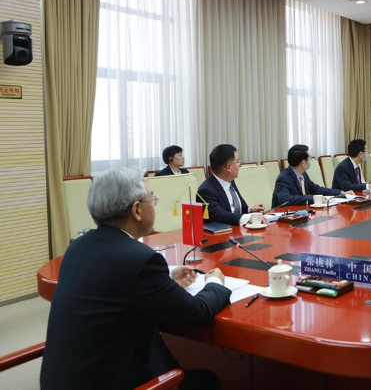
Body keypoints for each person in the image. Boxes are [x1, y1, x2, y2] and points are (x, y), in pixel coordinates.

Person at [41, 167, 231, 390]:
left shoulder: (77, 247)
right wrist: (215, 281)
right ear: (137, 209)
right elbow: (195, 313)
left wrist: (165, 278)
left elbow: (109, 282)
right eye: (154, 200)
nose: (155, 207)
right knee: (207, 381)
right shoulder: (140, 260)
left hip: (61, 381)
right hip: (111, 381)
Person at [197, 144, 265, 226]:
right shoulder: (206, 191)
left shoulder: (230, 181)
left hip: (239, 231)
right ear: (229, 167)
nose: (239, 164)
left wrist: (250, 210)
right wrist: (248, 218)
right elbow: (220, 215)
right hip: (223, 235)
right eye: (237, 161)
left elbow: (237, 209)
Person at [273, 144, 354, 206]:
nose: (312, 160)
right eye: (310, 158)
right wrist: (312, 198)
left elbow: (317, 189)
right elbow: (285, 199)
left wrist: (341, 193)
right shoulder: (283, 178)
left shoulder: (303, 175)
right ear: (303, 163)